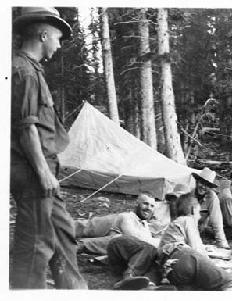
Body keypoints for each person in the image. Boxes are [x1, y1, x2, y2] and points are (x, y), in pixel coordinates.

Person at [10, 7, 87, 289]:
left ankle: (74, 290)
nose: (59, 44)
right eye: (58, 37)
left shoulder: (32, 70)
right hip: (32, 170)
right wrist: (43, 173)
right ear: (43, 35)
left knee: (62, 233)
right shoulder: (23, 71)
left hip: (43, 168)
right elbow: (26, 128)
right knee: (36, 242)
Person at [107, 194, 232, 290]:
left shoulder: (173, 224)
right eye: (198, 211)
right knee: (231, 282)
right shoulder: (187, 220)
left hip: (170, 268)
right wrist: (215, 266)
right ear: (192, 210)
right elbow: (197, 251)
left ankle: (149, 288)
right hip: (182, 257)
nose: (200, 215)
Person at [76, 193, 166, 254]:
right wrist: (162, 242)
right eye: (145, 204)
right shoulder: (126, 217)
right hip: (101, 226)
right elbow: (136, 239)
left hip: (111, 246)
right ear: (137, 204)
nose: (149, 208)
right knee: (83, 227)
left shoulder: (144, 225)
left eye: (152, 206)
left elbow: (145, 243)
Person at [191, 167, 229, 248]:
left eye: (207, 185)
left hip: (200, 230)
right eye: (202, 183)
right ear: (197, 181)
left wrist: (222, 242)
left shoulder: (212, 196)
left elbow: (217, 219)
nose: (203, 187)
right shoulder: (188, 193)